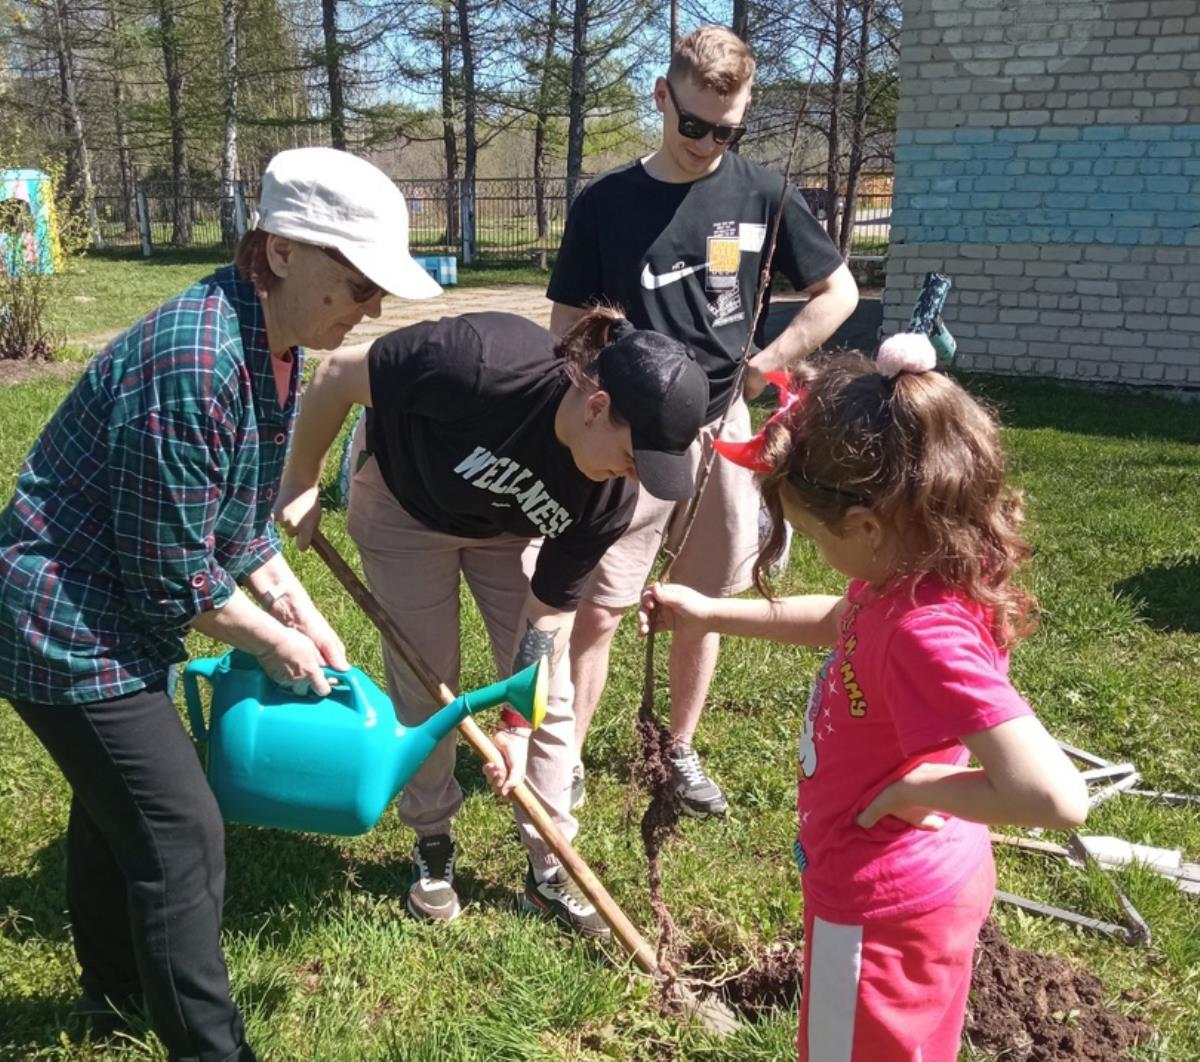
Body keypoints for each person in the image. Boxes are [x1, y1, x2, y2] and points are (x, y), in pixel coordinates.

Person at [0, 146, 441, 1060]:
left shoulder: (271, 345)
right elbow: (174, 575)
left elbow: (235, 530)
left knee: (114, 802)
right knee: (182, 834)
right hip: (61, 617)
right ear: (279, 251)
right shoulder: (196, 362)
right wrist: (277, 646)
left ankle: (113, 994)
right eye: (358, 283)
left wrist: (301, 611)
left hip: (116, 605)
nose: (373, 308)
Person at [638, 335, 1089, 1061]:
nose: (818, 553)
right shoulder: (906, 577)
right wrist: (709, 612)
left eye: (816, 537)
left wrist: (918, 786)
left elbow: (1056, 797)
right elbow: (837, 620)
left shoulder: (924, 631)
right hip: (898, 888)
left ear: (868, 525)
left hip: (884, 906)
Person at [274, 307, 708, 936]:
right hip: (406, 505)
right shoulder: (477, 361)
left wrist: (513, 723)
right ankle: (432, 839)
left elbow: (548, 616)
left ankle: (552, 861)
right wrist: (301, 480)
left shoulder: (609, 496)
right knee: (427, 683)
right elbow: (337, 374)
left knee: (548, 698)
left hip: (505, 530)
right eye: (632, 456)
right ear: (596, 406)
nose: (634, 477)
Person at [548, 25, 860, 817]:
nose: (708, 143)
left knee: (707, 601)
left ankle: (677, 751)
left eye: (728, 130)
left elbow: (840, 294)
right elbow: (564, 325)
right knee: (601, 604)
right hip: (633, 433)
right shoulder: (606, 204)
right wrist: (603, 395)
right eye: (694, 125)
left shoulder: (765, 193)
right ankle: (571, 759)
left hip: (722, 430)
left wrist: (766, 364)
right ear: (663, 98)